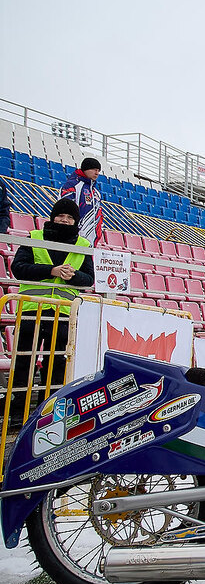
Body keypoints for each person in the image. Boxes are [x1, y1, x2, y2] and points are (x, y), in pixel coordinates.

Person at [6, 199, 94, 427]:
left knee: (57, 366)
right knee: (24, 363)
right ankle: (17, 413)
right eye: (61, 216)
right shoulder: (34, 237)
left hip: (64, 315)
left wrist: (72, 276)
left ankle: (48, 413)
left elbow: (89, 279)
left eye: (70, 218)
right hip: (31, 311)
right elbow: (18, 268)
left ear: (76, 221)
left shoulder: (83, 244)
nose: (65, 220)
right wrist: (51, 271)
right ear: (53, 217)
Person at [60, 157, 103, 245]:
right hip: (74, 236)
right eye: (94, 169)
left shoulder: (96, 193)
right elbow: (63, 209)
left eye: (98, 170)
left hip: (91, 238)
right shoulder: (72, 185)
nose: (97, 173)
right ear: (86, 169)